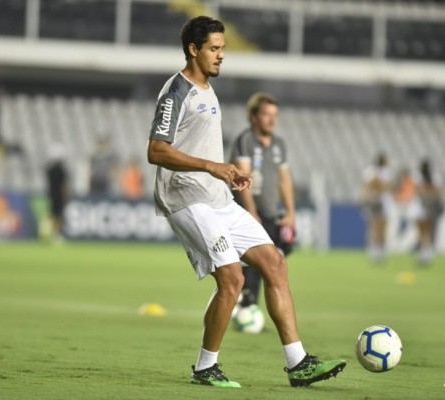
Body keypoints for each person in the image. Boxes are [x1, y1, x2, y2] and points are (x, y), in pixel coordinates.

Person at [147, 16, 345, 389]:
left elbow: (202, 147)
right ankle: (205, 367)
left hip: (217, 196)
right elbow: (156, 151)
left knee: (275, 263)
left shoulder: (208, 90)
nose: (221, 55)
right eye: (214, 49)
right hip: (186, 197)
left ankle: (298, 363)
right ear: (193, 49)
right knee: (233, 278)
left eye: (223, 48)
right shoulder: (176, 91)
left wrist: (227, 174)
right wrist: (212, 166)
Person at [229, 92, 296, 310]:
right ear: (254, 116)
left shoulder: (279, 144)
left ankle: (249, 309)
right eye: (267, 114)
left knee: (273, 261)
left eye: (274, 115)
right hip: (247, 213)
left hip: (270, 213)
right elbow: (243, 176)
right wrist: (251, 212)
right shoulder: (245, 140)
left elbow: (284, 179)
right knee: (251, 265)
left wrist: (290, 212)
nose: (272, 119)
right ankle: (246, 307)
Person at [361, 153, 394, 262]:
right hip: (375, 202)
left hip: (385, 202)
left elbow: (388, 187)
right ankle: (374, 251)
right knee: (375, 227)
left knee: (382, 228)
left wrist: (379, 187)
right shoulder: (370, 171)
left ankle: (381, 251)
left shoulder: (386, 172)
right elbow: (368, 186)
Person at [413, 159, 443, 265]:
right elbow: (439, 193)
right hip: (431, 206)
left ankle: (423, 253)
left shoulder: (417, 177)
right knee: (429, 231)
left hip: (420, 206)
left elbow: (416, 191)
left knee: (422, 232)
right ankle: (428, 253)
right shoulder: (436, 177)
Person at [45, 143, 68, 243]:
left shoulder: (49, 169)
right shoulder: (61, 170)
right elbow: (63, 186)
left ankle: (49, 232)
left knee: (53, 215)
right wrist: (66, 195)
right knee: (58, 216)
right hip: (59, 196)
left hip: (51, 195)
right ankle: (56, 234)